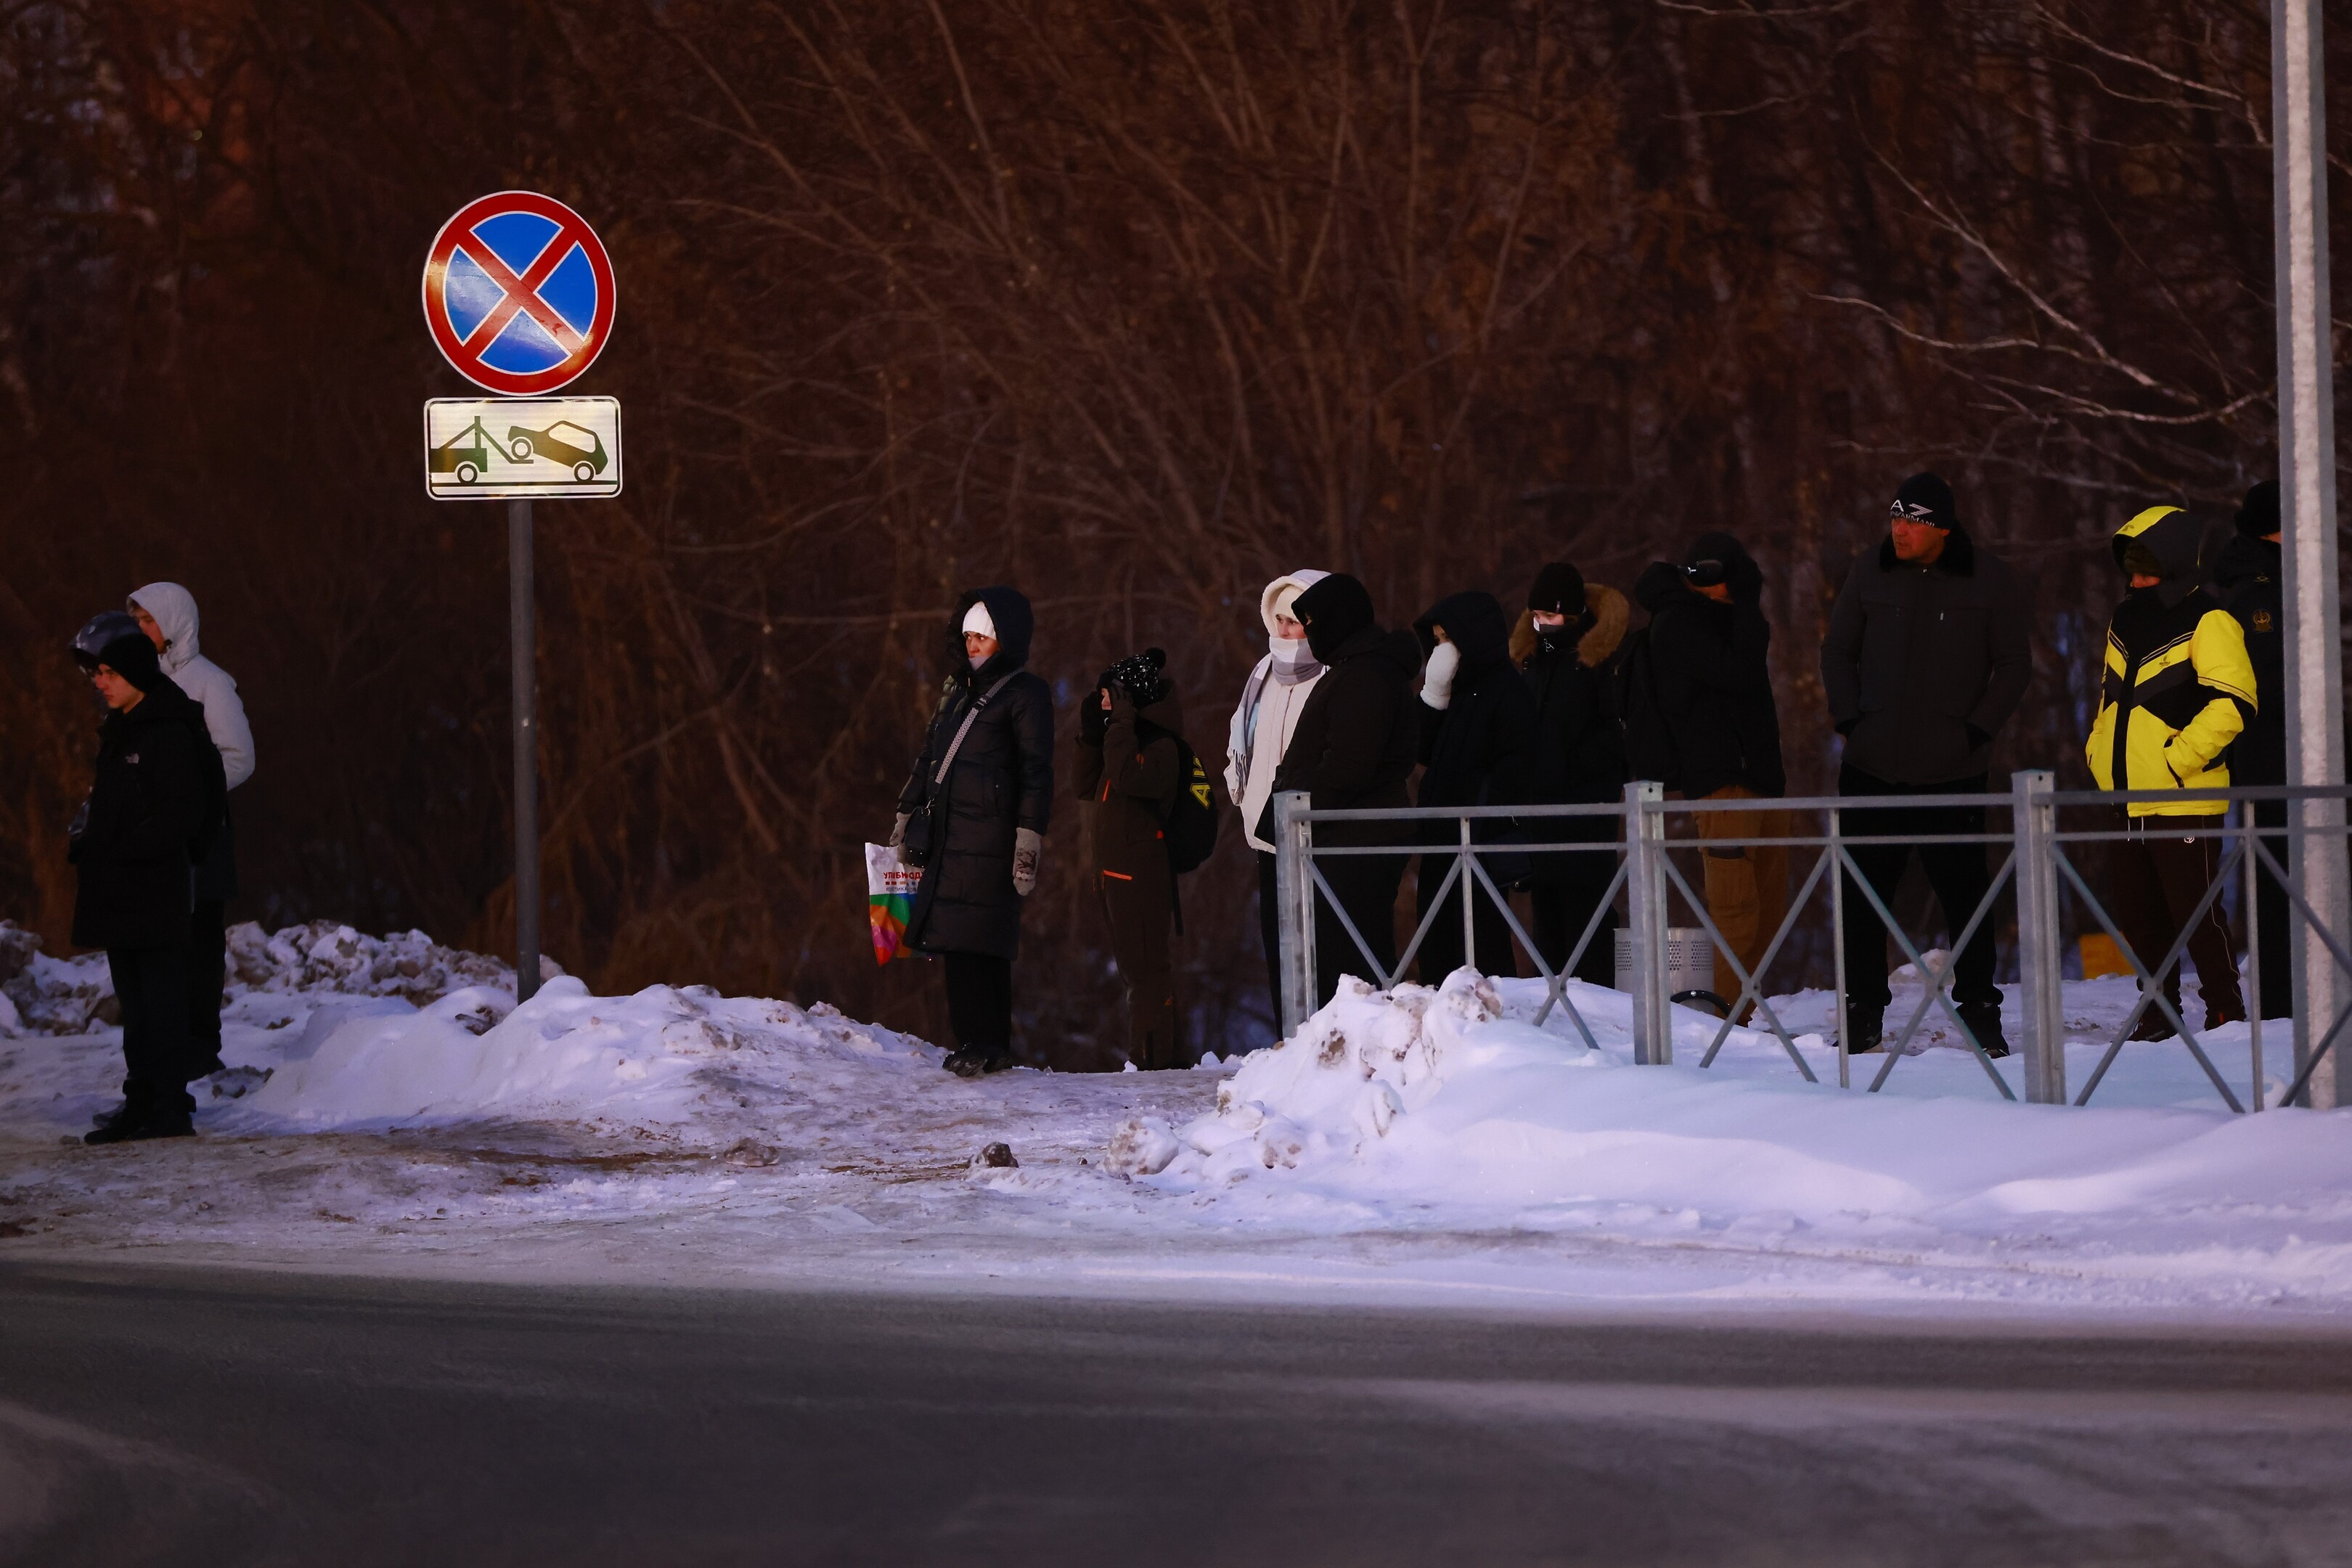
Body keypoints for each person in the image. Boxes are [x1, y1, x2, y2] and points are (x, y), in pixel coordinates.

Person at [1820, 474, 2032, 1055]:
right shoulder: (1869, 570)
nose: (1899, 530)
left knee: (1967, 897)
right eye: (1895, 518)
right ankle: (1862, 1010)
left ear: (1942, 528)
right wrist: (1851, 721)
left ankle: (1981, 1009)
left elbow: (2014, 664)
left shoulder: (1988, 578)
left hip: (1953, 771)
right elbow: (1837, 650)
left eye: (1912, 521)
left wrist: (1976, 731)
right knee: (1862, 895)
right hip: (1871, 767)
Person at [2086, 505, 2255, 1038]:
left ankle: (2225, 1012)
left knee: (2197, 915)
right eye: (2131, 567)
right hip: (2125, 796)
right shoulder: (2123, 618)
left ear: (2175, 562)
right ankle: (2158, 1013)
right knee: (2139, 919)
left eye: (2148, 568)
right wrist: (2098, 753)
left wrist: (2177, 759)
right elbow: (2109, 700)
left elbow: (2235, 702)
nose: (2136, 579)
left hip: (2185, 796)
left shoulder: (2210, 618)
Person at [68, 613, 225, 1145]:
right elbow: (117, 805)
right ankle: (142, 1103)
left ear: (135, 671)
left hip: (154, 892)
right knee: (136, 1007)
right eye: (97, 673)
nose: (100, 683)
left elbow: (181, 814)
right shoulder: (124, 728)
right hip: (122, 891)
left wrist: (121, 847)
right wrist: (89, 841)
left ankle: (169, 1107)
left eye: (109, 673)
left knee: (161, 1003)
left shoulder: (168, 730)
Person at [892, 588, 1054, 1076]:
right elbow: (929, 757)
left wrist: (1028, 838)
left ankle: (984, 1043)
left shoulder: (1026, 693)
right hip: (949, 836)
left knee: (980, 940)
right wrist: (905, 813)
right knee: (962, 940)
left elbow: (1036, 772)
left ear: (1005, 638)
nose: (972, 645)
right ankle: (981, 1043)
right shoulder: (955, 690)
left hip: (992, 837)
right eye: (967, 637)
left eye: (982, 636)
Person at [1628, 533, 1788, 1012]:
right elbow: (1739, 670)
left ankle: (1737, 1019)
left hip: (1760, 781)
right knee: (1736, 913)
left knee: (1769, 915)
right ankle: (1719, 1027)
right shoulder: (1678, 622)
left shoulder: (1721, 619)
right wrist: (1748, 605)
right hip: (1723, 787)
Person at [1262, 573, 1421, 1008]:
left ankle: (1363, 1044)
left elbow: (1349, 766)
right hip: (1343, 838)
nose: (1309, 633)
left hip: (1353, 842)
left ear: (1340, 619)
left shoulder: (1366, 675)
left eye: (1312, 622)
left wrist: (1301, 805)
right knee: (1340, 965)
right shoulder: (1356, 670)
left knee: (1351, 971)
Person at [128, 582, 254, 1080]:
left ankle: (200, 1050)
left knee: (200, 944)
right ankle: (165, 1057)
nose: (140, 630)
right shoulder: (141, 683)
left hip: (202, 837)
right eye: (136, 622)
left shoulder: (209, 683)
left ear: (174, 623)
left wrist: (189, 797)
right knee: (160, 947)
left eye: (148, 621)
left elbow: (239, 757)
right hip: (156, 838)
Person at [1409, 590, 1536, 981]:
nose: (1441, 650)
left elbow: (1518, 766)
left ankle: (1494, 1013)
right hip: (1441, 839)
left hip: (1480, 841)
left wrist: (1481, 815)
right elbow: (1421, 751)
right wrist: (1433, 695)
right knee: (1437, 944)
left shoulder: (1508, 690)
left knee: (1483, 947)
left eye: (1448, 638)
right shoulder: (1456, 690)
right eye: (1436, 641)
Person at [1513, 563, 1628, 987]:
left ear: (1572, 615)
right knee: (1547, 926)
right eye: (1537, 616)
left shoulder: (1599, 661)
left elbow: (1616, 736)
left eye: (1551, 616)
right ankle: (1553, 1009)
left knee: (1588, 921)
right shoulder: (1533, 663)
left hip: (1585, 813)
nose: (1542, 625)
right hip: (1540, 815)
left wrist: (1568, 768)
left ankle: (1598, 1007)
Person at [1074, 648, 1186, 1069]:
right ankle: (1150, 1057)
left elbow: (1127, 776)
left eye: (1111, 695)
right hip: (1115, 875)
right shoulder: (1122, 739)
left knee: (1147, 973)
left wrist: (1120, 723)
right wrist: (1091, 733)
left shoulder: (1161, 745)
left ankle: (1153, 1063)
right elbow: (1084, 785)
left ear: (1130, 699)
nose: (1103, 702)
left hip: (1140, 877)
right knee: (1135, 973)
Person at [1227, 570, 1329, 1014]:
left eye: (1296, 621)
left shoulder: (1331, 672)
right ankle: (1286, 1035)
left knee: (1319, 943)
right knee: (1277, 941)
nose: (1286, 631)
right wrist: (1239, 785)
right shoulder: (1263, 672)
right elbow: (1241, 732)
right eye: (1281, 620)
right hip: (1266, 829)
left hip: (1315, 831)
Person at [2213, 481, 2290, 1024]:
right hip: (2274, 760)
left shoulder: (2268, 579)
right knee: (2278, 881)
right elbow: (2269, 684)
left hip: (2281, 759)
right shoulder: (2257, 592)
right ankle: (2283, 1004)